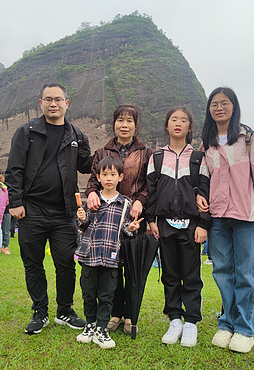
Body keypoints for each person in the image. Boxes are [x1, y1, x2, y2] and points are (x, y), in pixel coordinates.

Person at [5, 83, 92, 334]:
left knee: (66, 263)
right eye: (48, 99)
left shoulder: (76, 135)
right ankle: (39, 311)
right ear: (40, 102)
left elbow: (87, 165)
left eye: (58, 99)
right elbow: (14, 169)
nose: (53, 104)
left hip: (64, 212)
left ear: (67, 103)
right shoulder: (27, 132)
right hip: (32, 210)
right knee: (33, 262)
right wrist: (16, 202)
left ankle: (64, 310)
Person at [199, 87, 254, 353]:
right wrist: (200, 197)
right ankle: (226, 323)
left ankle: (244, 328)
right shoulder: (207, 142)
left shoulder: (248, 139)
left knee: (245, 273)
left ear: (234, 106)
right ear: (209, 110)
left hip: (246, 215)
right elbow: (203, 178)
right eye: (214, 104)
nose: (219, 108)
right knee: (221, 272)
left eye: (224, 103)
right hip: (218, 216)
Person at [85, 104, 152, 335]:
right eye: (120, 120)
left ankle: (130, 316)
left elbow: (148, 183)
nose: (124, 125)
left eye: (129, 121)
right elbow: (93, 180)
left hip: (133, 216)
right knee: (109, 268)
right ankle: (115, 312)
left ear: (136, 125)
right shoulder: (103, 151)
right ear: (114, 123)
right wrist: (92, 193)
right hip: (108, 219)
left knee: (132, 269)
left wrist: (140, 200)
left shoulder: (146, 152)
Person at [146, 106, 210, 348]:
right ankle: (174, 319)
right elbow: (151, 192)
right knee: (170, 274)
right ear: (167, 125)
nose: (178, 123)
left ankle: (192, 322)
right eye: (174, 119)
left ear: (189, 127)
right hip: (164, 224)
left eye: (184, 120)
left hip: (191, 224)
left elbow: (205, 192)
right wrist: (151, 221)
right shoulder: (157, 157)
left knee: (191, 275)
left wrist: (203, 224)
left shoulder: (198, 158)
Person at [76, 157, 142, 349]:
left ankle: (102, 329)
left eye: (113, 174)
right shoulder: (92, 200)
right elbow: (83, 227)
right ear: (98, 176)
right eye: (104, 174)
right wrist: (81, 218)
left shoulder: (125, 204)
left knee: (106, 295)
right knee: (88, 293)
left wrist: (131, 227)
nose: (109, 178)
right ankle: (90, 325)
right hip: (90, 255)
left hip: (112, 257)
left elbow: (126, 230)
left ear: (120, 177)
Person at [0, 170, 12, 255]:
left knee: (5, 229)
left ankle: (6, 246)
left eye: (0, 178)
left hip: (6, 211)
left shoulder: (9, 185)